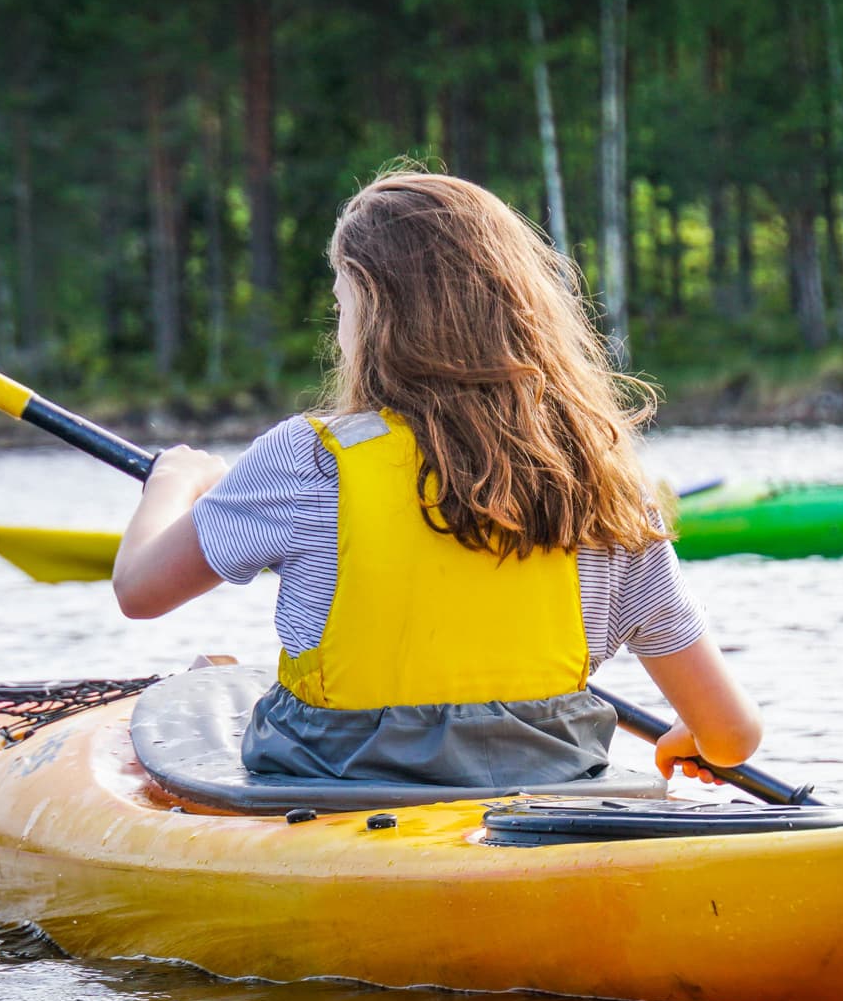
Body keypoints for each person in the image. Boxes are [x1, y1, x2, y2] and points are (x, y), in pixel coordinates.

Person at [113, 171, 760, 787]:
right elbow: (733, 736)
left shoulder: (308, 460)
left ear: (370, 311)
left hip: (333, 789)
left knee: (205, 683)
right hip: (542, 790)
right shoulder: (599, 480)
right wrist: (691, 735)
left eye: (341, 305)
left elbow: (139, 591)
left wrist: (174, 480)